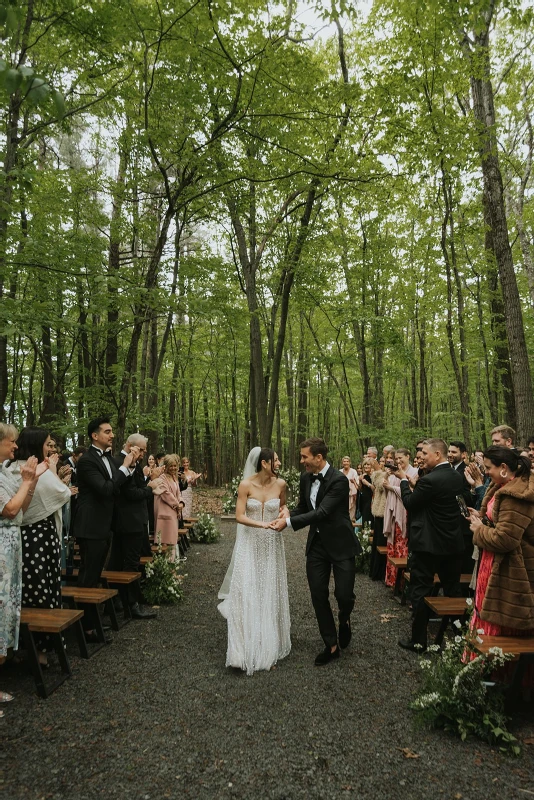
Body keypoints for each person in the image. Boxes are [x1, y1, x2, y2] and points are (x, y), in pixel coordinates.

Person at [271, 437, 361, 667]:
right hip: (317, 546)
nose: (302, 461)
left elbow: (322, 512)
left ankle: (344, 618)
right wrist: (288, 512)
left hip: (341, 544)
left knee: (344, 595)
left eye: (304, 457)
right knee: (318, 594)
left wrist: (289, 524)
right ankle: (330, 644)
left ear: (318, 457)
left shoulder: (339, 480)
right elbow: (305, 506)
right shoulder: (305, 478)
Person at [218, 447, 290, 675]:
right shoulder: (245, 485)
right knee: (246, 591)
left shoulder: (281, 485)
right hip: (249, 544)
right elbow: (239, 515)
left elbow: (283, 507)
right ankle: (240, 651)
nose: (279, 462)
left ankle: (266, 646)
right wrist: (261, 525)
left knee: (266, 590)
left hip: (271, 546)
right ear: (264, 463)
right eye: (276, 459)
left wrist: (284, 514)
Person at [7, 428, 71, 664]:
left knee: (23, 591)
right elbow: (62, 493)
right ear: (36, 445)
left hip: (21, 538)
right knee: (42, 588)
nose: (49, 448)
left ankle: (17, 647)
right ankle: (41, 650)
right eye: (46, 443)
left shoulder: (12, 468)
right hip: (39, 537)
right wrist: (53, 471)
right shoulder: (36, 471)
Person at [468, 447, 534, 670]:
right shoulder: (503, 486)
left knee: (500, 628)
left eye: (488, 468)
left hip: (509, 571)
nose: (486, 473)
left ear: (504, 468)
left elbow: (506, 539)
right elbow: (498, 524)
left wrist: (479, 530)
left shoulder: (518, 495)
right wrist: (481, 519)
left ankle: (497, 680)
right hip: (493, 563)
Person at [397, 438, 465, 651]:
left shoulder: (429, 480)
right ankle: (460, 636)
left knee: (420, 591)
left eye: (425, 453)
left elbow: (410, 503)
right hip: (452, 545)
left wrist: (404, 483)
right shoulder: (456, 476)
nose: (422, 457)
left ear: (437, 454)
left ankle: (418, 641)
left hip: (427, 545)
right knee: (453, 590)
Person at [73, 417, 138, 641]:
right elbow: (105, 488)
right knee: (88, 576)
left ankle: (92, 622)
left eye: (111, 431)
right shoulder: (87, 461)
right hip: (90, 526)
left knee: (96, 575)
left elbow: (118, 485)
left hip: (105, 525)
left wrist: (130, 467)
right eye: (107, 432)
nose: (112, 435)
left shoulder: (108, 458)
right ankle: (86, 628)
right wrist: (124, 467)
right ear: (95, 435)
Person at [0, 424, 48, 709]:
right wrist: (28, 480)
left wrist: (33, 481)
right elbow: (9, 509)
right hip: (1, 549)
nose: (16, 447)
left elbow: (23, 506)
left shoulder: (5, 472)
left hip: (11, 545)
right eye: (11, 442)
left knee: (7, 611)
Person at [111, 434, 162, 619]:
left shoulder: (136, 464)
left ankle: (128, 600)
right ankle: (131, 604)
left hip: (137, 519)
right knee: (130, 564)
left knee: (129, 561)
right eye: (141, 449)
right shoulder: (119, 462)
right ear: (130, 446)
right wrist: (150, 488)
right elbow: (130, 493)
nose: (144, 453)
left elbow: (139, 486)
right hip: (127, 521)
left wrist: (150, 480)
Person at [383, 449, 417, 588]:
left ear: (408, 456)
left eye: (401, 458)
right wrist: (387, 482)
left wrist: (391, 487)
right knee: (393, 545)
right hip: (393, 513)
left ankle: (403, 583)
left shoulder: (414, 472)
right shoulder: (394, 473)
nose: (398, 461)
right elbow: (387, 493)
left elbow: (411, 491)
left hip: (405, 512)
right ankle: (392, 580)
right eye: (396, 458)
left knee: (403, 546)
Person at [153, 454, 184, 562]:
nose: (173, 468)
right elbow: (166, 494)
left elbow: (178, 492)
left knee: (172, 540)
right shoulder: (162, 478)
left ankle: (172, 569)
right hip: (165, 512)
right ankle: (168, 570)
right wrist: (177, 504)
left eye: (175, 466)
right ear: (165, 466)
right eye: (171, 466)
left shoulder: (174, 477)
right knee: (166, 541)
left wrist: (181, 503)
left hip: (174, 511)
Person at [369, 460, 387, 581]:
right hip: (378, 511)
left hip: (386, 512)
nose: (382, 463)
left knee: (382, 542)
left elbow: (381, 486)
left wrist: (378, 471)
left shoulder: (387, 474)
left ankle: (381, 572)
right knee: (377, 541)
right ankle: (375, 571)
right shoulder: (382, 474)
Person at [340, 456, 358, 523]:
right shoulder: (340, 471)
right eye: (344, 461)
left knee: (351, 514)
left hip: (351, 496)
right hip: (342, 496)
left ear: (349, 463)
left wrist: (354, 493)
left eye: (347, 461)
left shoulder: (353, 471)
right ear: (342, 463)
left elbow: (356, 482)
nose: (346, 463)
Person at [359, 459, 375, 526]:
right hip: (364, 501)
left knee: (370, 519)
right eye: (365, 464)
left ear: (372, 466)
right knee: (364, 519)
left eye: (368, 464)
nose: (366, 466)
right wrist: (360, 481)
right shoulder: (363, 476)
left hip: (372, 500)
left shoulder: (374, 476)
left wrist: (367, 483)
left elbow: (375, 489)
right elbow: (360, 489)